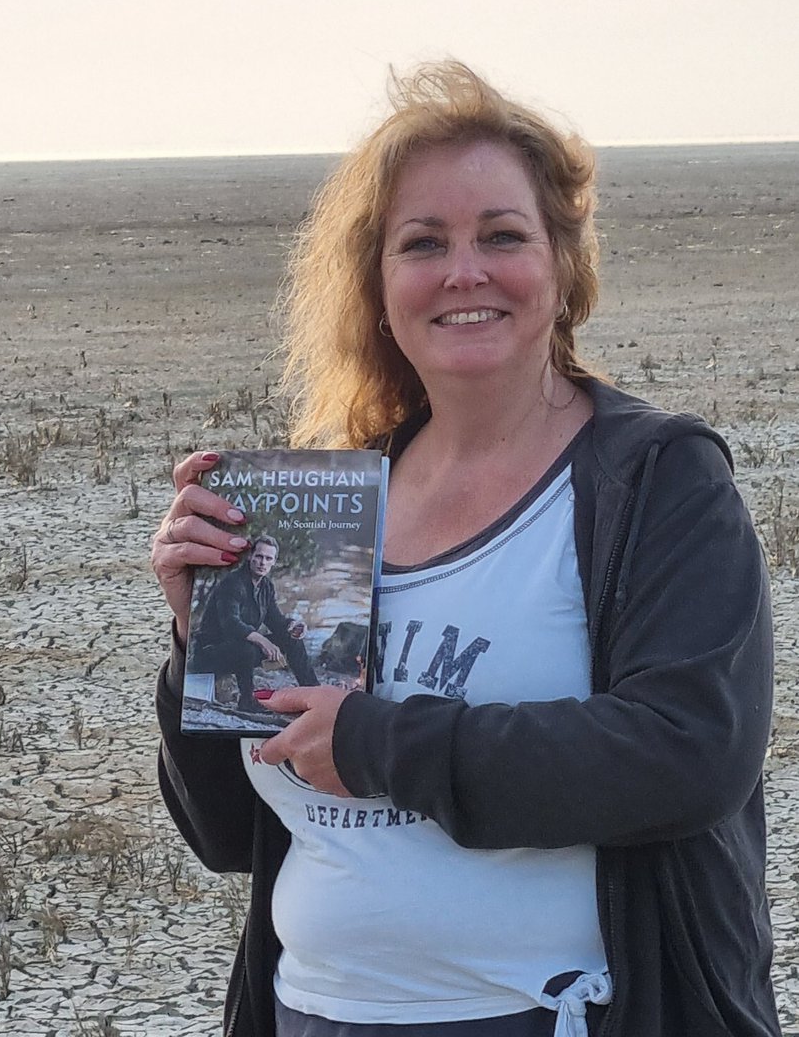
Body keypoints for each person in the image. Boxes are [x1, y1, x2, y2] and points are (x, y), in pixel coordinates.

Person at [150, 61, 781, 1037]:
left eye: (502, 235)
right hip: (309, 1010)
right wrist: (204, 643)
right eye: (423, 243)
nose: (464, 272)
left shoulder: (651, 481)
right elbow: (231, 835)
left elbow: (689, 752)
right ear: (378, 286)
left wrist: (377, 742)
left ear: (563, 265)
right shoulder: (327, 503)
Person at [190, 534, 318, 711]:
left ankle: (314, 693)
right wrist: (263, 641)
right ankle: (247, 701)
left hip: (239, 652)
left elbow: (275, 621)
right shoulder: (233, 583)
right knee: (247, 647)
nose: (262, 563)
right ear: (250, 556)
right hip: (210, 653)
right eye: (259, 556)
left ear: (274, 562)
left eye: (268, 558)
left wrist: (293, 626)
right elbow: (231, 624)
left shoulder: (266, 586)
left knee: (291, 639)